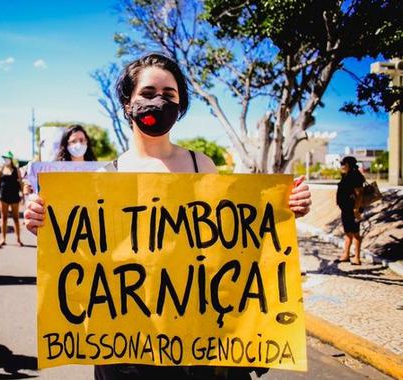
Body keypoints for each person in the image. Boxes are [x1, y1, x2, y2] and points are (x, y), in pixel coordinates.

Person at [24, 53, 312, 379]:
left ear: (180, 105)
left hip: (195, 343)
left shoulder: (200, 165)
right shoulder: (106, 176)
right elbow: (86, 257)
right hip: (129, 348)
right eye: (147, 94)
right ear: (128, 103)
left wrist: (284, 209)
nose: (158, 102)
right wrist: (46, 226)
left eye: (169, 95)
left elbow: (230, 240)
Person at [335, 156, 365, 265]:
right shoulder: (346, 176)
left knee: (356, 233)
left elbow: (359, 194)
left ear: (349, 165)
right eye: (341, 164)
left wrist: (356, 210)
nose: (342, 166)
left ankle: (357, 258)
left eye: (344, 163)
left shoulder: (355, 176)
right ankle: (346, 255)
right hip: (346, 210)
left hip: (353, 210)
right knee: (347, 233)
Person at [0, 151, 24, 246]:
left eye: (8, 158)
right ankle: (3, 238)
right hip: (3, 196)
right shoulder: (0, 170)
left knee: (16, 218)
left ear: (11, 159)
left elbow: (21, 183)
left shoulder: (16, 170)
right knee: (4, 218)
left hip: (14, 196)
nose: (6, 160)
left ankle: (18, 239)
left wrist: (23, 195)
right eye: (5, 158)